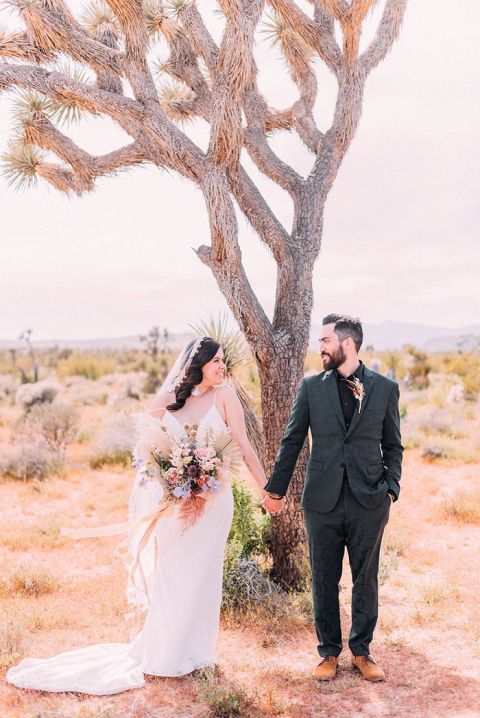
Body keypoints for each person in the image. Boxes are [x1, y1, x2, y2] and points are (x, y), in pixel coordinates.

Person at [6, 337, 268, 695]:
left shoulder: (225, 396)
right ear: (199, 363)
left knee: (206, 576)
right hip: (175, 505)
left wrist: (266, 489)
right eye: (217, 361)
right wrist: (170, 476)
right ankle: (164, 654)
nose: (223, 367)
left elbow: (242, 444)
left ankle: (198, 653)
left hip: (214, 505)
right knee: (172, 575)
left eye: (224, 361)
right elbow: (146, 450)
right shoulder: (169, 400)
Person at [263, 314, 403, 682]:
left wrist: (391, 488)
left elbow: (393, 445)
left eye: (325, 340)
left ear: (348, 344)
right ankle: (328, 653)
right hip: (321, 500)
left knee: (365, 578)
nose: (319, 347)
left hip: (370, 499)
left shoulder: (385, 388)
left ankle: (362, 652)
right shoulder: (311, 388)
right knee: (324, 578)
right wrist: (275, 489)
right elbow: (292, 441)